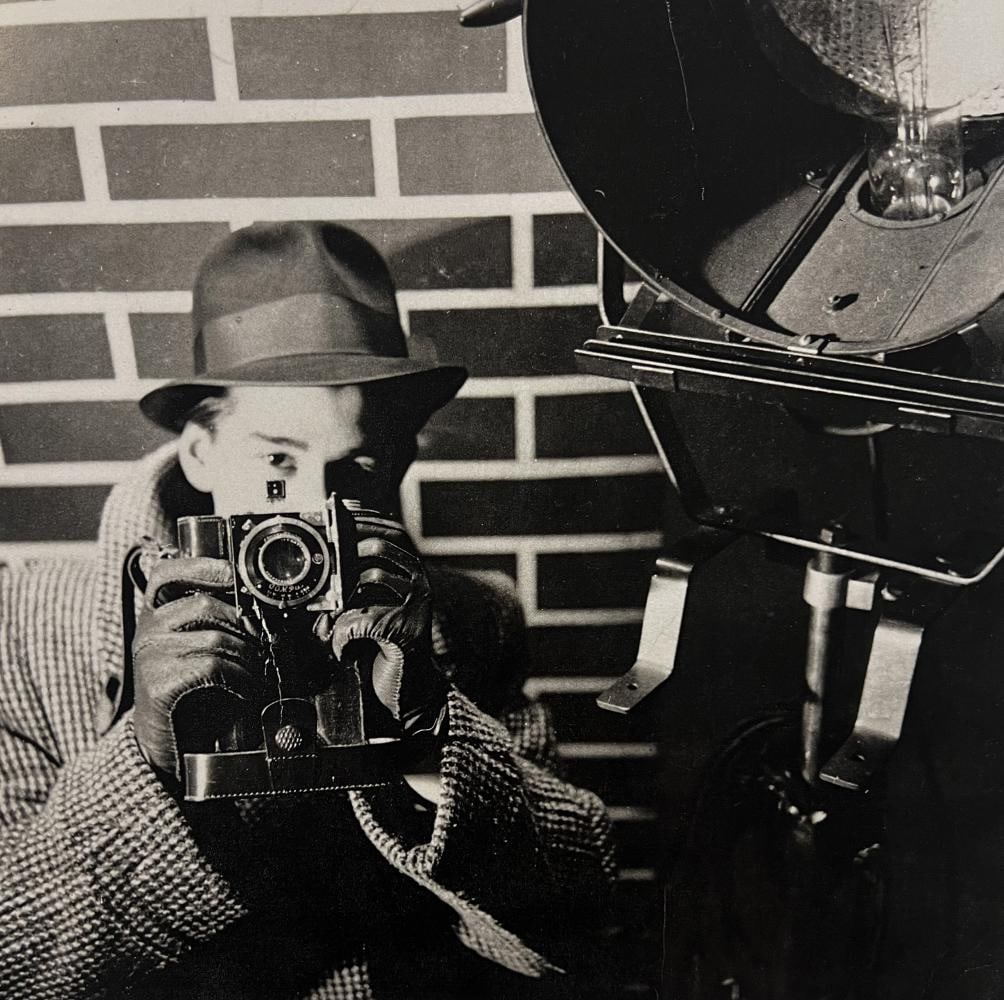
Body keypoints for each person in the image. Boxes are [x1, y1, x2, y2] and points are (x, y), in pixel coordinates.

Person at [0, 222, 616, 999]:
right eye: (277, 461)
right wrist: (146, 763)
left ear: (398, 463)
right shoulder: (28, 625)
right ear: (200, 451)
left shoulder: (469, 620)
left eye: (354, 467)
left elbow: (572, 917)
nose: (315, 511)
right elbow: (11, 957)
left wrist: (430, 726)